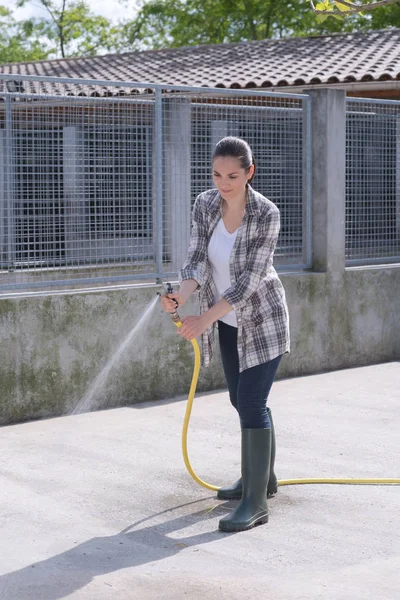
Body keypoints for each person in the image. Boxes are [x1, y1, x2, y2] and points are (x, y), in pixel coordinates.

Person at [160, 136, 290, 532]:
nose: (223, 183)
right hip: (228, 322)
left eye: (232, 175)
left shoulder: (266, 213)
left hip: (263, 320)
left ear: (250, 173)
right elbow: (197, 258)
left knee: (251, 402)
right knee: (240, 399)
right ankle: (261, 479)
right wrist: (180, 298)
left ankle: (255, 503)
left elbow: (249, 282)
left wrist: (203, 319)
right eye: (217, 174)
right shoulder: (205, 204)